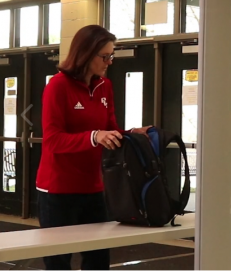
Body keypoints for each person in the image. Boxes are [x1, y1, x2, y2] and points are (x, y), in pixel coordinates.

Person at [36, 24, 151, 270]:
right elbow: (53, 140)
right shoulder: (58, 86)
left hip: (94, 187)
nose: (110, 61)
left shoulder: (104, 87)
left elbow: (110, 129)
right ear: (86, 53)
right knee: (58, 261)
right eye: (105, 56)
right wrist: (94, 136)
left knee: (98, 259)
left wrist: (131, 134)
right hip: (58, 190)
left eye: (112, 55)